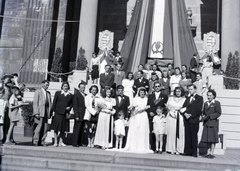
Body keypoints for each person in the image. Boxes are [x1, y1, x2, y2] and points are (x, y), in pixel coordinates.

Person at [124, 87, 152, 153]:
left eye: (143, 92)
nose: (142, 93)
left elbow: (148, 106)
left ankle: (142, 146)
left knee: (142, 129)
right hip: (136, 115)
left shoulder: (146, 99)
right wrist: (132, 109)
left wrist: (143, 109)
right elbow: (132, 106)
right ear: (139, 93)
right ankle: (134, 145)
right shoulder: (135, 99)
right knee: (135, 129)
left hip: (143, 115)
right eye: (141, 92)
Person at [181, 84, 203, 157]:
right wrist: (185, 114)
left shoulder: (199, 98)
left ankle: (194, 152)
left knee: (193, 136)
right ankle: (187, 151)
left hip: (194, 119)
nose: (190, 91)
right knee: (187, 136)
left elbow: (199, 109)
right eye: (189, 89)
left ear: (195, 89)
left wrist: (190, 114)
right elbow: (183, 107)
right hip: (187, 120)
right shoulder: (188, 98)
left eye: (191, 89)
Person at [147, 82, 168, 151]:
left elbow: (166, 107)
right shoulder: (150, 96)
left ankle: (161, 148)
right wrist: (150, 112)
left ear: (160, 87)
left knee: (161, 133)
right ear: (153, 88)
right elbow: (148, 105)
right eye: (155, 86)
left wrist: (163, 114)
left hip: (160, 117)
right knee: (153, 132)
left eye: (158, 86)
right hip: (152, 116)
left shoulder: (164, 96)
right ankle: (153, 147)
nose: (157, 87)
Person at [51, 81, 73, 147]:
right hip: (58, 113)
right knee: (56, 128)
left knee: (63, 129)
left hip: (65, 114)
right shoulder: (58, 93)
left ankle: (61, 141)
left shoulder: (70, 95)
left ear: (68, 87)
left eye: (66, 86)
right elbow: (54, 103)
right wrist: (53, 111)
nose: (65, 87)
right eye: (64, 86)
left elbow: (72, 103)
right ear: (62, 87)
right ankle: (55, 141)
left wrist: (70, 107)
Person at [201, 89, 221, 159]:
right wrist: (203, 116)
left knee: (213, 139)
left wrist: (210, 116)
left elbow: (218, 113)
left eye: (210, 95)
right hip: (206, 123)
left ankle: (212, 153)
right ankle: (208, 152)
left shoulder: (217, 103)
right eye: (208, 95)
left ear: (214, 96)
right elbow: (203, 112)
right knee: (207, 139)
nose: (209, 97)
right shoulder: (206, 103)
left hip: (213, 123)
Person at [166, 87, 186, 154]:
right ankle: (171, 149)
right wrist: (171, 110)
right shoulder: (171, 98)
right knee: (171, 131)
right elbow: (168, 106)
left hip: (179, 116)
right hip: (171, 116)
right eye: (176, 91)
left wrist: (179, 110)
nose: (178, 93)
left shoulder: (184, 99)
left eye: (179, 91)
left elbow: (185, 107)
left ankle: (179, 149)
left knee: (179, 132)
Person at [33, 80, 52, 146]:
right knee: (39, 127)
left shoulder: (48, 93)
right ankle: (36, 141)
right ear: (42, 84)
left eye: (48, 85)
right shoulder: (38, 91)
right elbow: (35, 102)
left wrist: (49, 113)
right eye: (46, 84)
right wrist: (36, 112)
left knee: (45, 128)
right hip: (40, 112)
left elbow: (50, 104)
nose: (47, 86)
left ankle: (42, 141)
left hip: (46, 113)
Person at [72, 82, 86, 147]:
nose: (83, 89)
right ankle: (75, 142)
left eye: (84, 87)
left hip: (84, 115)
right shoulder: (76, 95)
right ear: (79, 88)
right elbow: (75, 106)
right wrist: (76, 115)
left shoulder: (85, 95)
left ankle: (80, 142)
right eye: (81, 87)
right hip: (79, 114)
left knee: (82, 129)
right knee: (77, 129)